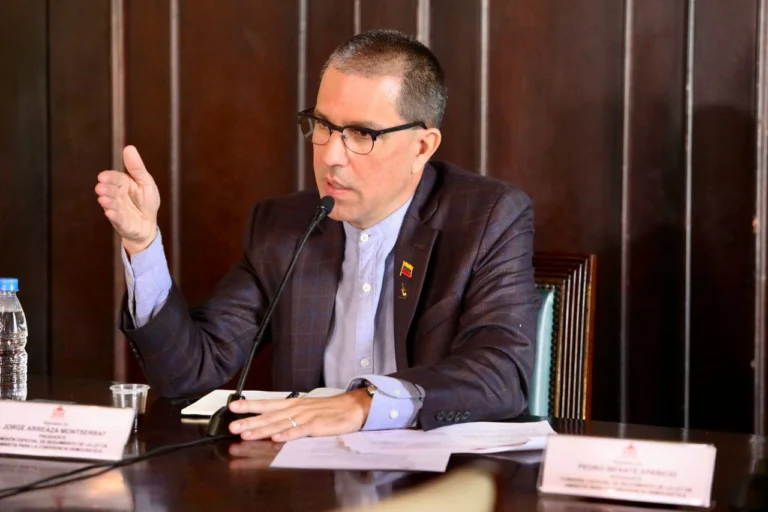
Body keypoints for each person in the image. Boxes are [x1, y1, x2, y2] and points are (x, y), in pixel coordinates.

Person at [94, 29, 539, 442]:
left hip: (436, 484)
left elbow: (502, 373)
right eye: (323, 126)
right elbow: (190, 373)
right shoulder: (284, 226)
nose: (331, 156)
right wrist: (143, 244)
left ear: (422, 147)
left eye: (361, 134)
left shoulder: (486, 217)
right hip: (307, 480)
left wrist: (363, 403)